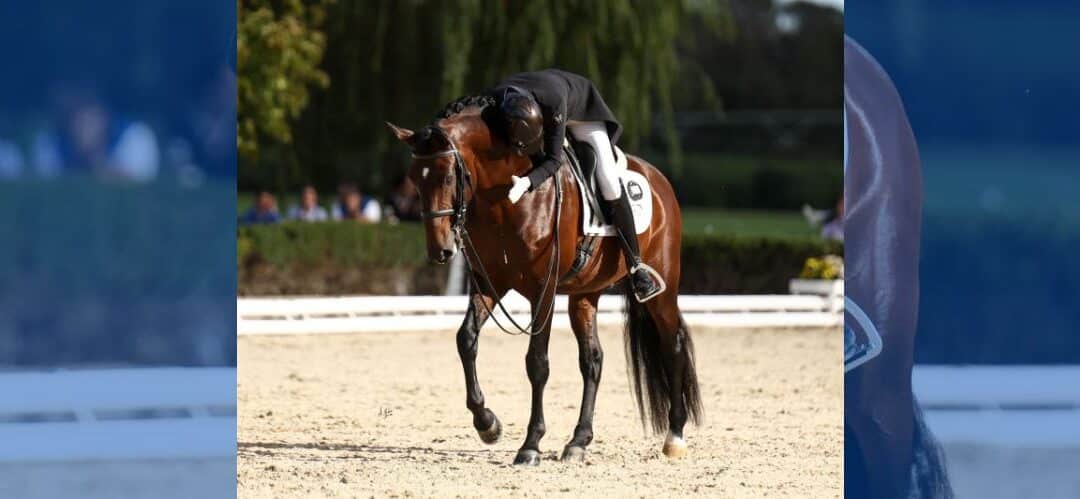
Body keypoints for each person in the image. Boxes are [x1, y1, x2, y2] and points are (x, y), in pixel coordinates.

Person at [486, 69, 662, 302]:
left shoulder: (555, 102)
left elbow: (554, 160)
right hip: (536, 106)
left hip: (581, 113)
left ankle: (636, 266)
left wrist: (527, 182)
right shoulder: (495, 97)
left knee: (609, 181)